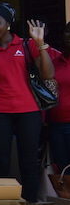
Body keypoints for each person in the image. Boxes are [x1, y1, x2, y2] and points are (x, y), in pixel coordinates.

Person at [0, 3, 54, 202]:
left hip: (28, 111)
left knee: (28, 161)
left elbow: (48, 75)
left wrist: (40, 44)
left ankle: (29, 200)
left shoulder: (26, 45)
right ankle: (2, 200)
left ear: (8, 24)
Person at [49, 21, 70, 170]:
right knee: (62, 171)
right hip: (56, 124)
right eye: (67, 31)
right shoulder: (55, 62)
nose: (68, 35)